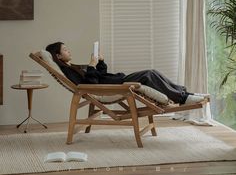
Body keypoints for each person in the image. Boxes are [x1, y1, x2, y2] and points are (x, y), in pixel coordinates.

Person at [46, 42, 208, 105]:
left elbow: (100, 75)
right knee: (148, 74)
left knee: (152, 72)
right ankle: (182, 98)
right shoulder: (68, 71)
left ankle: (184, 94)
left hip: (115, 81)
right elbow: (91, 86)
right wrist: (92, 66)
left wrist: (100, 62)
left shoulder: (73, 66)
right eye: (65, 49)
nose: (69, 50)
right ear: (58, 56)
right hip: (114, 87)